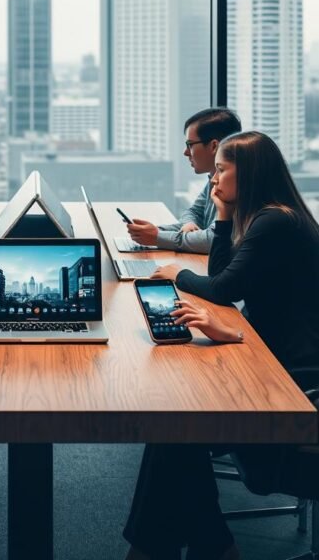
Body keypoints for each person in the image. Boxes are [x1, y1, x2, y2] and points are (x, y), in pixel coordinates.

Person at [123, 130, 319, 559]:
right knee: (175, 428)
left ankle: (180, 548)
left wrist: (177, 275)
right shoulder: (268, 216)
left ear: (247, 173)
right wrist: (226, 214)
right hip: (276, 360)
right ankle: (209, 547)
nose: (212, 179)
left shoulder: (275, 221)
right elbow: (225, 275)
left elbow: (223, 287)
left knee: (176, 429)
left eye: (221, 170)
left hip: (299, 384)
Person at [127, 108, 241, 254]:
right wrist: (184, 225)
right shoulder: (213, 178)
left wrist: (157, 236)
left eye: (190, 144)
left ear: (214, 146)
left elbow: (212, 239)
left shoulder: (234, 187)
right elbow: (194, 212)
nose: (185, 152)